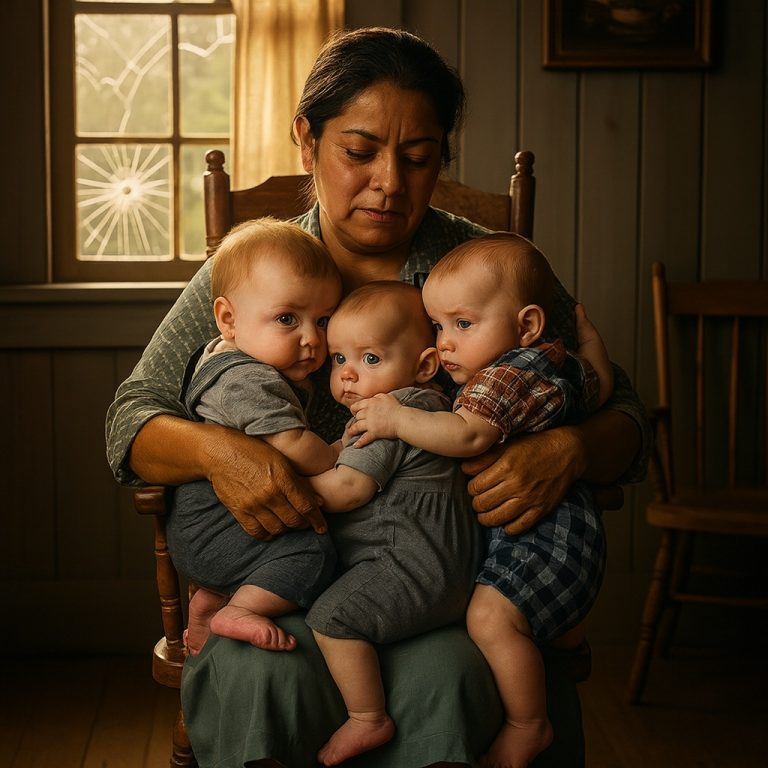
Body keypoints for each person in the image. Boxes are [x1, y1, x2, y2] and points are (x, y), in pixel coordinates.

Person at [105, 26, 650, 768]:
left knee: (452, 675)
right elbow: (130, 418)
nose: (390, 181)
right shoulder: (257, 266)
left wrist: (572, 447)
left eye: (418, 158)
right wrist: (220, 450)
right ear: (307, 140)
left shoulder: (476, 269)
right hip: (280, 579)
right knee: (253, 671)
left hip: (431, 586)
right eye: (359, 152)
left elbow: (622, 413)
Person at [348, 233, 611, 767]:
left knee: (489, 620)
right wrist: (590, 344)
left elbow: (466, 436)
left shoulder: (503, 378)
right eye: (439, 327)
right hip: (556, 537)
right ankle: (560, 628)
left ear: (526, 325)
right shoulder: (555, 363)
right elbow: (601, 386)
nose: (444, 344)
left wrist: (395, 417)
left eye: (462, 325)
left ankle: (527, 725)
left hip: (543, 537)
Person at [304, 281, 480, 765]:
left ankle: (368, 717)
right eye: (339, 359)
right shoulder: (428, 408)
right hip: (445, 573)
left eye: (370, 358)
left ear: (424, 365)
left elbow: (347, 489)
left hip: (409, 568)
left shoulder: (391, 411)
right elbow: (338, 460)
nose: (348, 375)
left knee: (330, 617)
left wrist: (284, 484)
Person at [166, 218, 343, 656]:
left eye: (322, 321)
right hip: (217, 526)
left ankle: (212, 601)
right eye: (287, 318)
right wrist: (344, 450)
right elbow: (298, 449)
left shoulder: (230, 358)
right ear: (228, 319)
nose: (311, 340)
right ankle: (239, 610)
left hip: (211, 534)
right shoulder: (247, 380)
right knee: (315, 555)